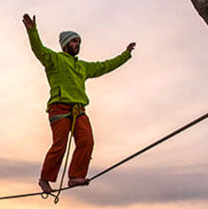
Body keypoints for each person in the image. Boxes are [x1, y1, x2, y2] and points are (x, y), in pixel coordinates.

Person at [22, 13, 136, 194]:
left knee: (87, 141)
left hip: (79, 110)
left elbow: (105, 66)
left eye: (79, 42)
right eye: (74, 41)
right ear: (66, 44)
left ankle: (75, 176)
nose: (78, 45)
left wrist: (125, 55)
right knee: (60, 145)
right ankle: (45, 178)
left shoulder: (82, 66)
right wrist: (32, 31)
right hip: (59, 107)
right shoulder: (55, 60)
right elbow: (39, 50)